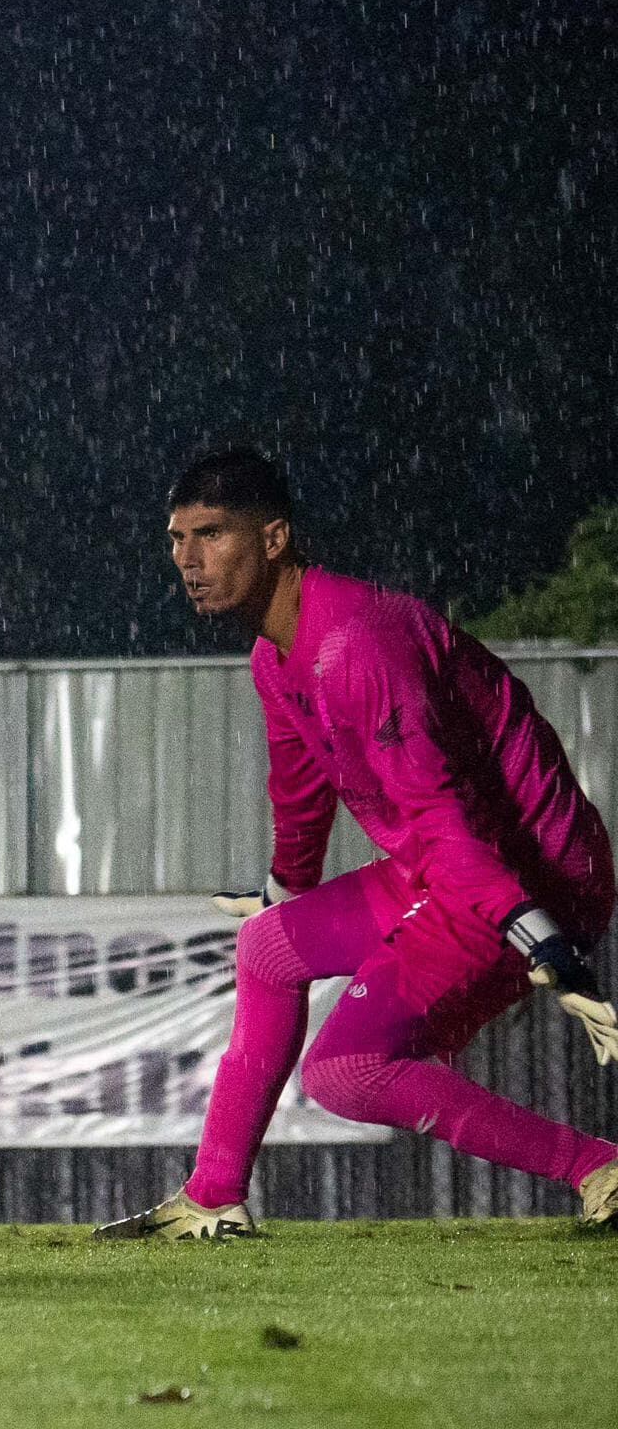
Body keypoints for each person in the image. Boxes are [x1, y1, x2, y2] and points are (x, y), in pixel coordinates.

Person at [104, 450, 618, 1239]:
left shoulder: (355, 645)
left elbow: (444, 812)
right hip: (450, 863)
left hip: (525, 870)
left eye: (211, 535)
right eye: (176, 539)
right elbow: (302, 792)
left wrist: (530, 920)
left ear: (274, 538)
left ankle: (598, 1167)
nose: (188, 559)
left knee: (347, 1071)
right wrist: (285, 888)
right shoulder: (276, 656)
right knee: (268, 950)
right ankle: (212, 1200)